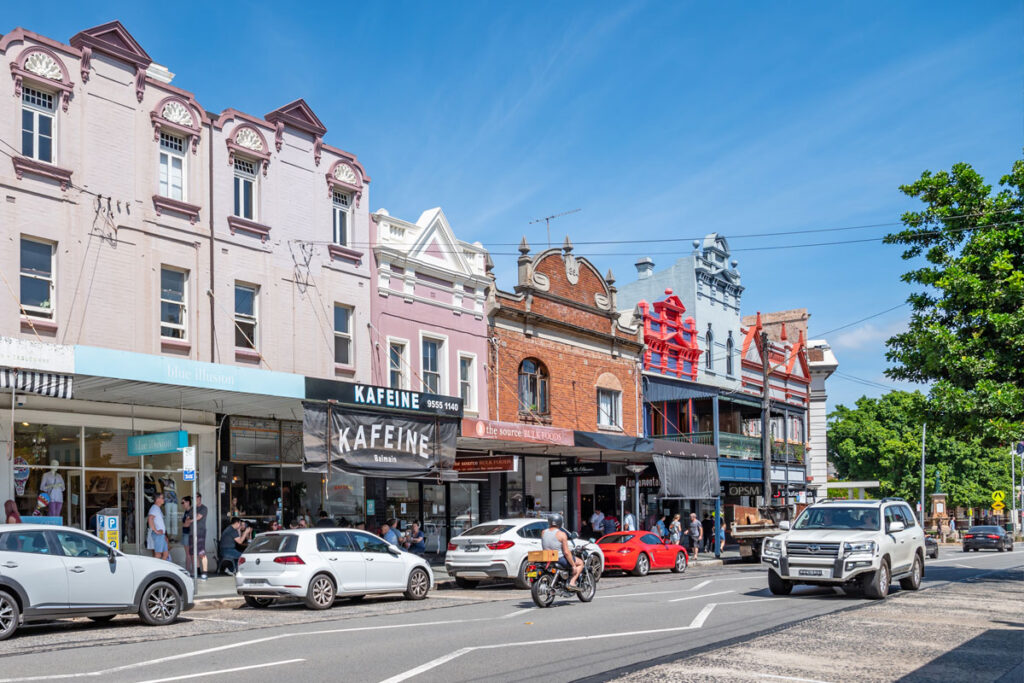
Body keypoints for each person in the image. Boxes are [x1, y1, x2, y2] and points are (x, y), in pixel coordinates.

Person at [541, 513, 583, 591]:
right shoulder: (562, 534)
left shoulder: (543, 532)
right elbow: (566, 552)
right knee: (580, 563)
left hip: (547, 557)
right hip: (559, 558)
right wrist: (573, 566)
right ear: (560, 522)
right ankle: (572, 582)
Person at [182, 494, 209, 580]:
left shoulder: (204, 508)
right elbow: (186, 521)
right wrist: (190, 520)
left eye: (196, 497)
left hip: (200, 533)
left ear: (200, 498)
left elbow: (198, 517)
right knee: (193, 553)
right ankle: (198, 571)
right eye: (193, 498)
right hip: (191, 533)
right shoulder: (192, 509)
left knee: (201, 553)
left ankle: (205, 572)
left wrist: (191, 520)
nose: (195, 499)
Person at [147, 493, 169, 560]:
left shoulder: (157, 508)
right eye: (162, 498)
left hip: (161, 534)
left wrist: (164, 535)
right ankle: (156, 566)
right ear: (157, 499)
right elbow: (150, 518)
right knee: (158, 554)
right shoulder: (154, 508)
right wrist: (155, 530)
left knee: (165, 554)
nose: (163, 499)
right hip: (158, 535)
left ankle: (162, 566)